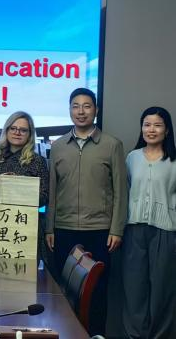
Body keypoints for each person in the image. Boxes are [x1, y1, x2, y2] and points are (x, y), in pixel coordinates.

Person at [45, 87, 128, 336]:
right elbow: (52, 190)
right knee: (64, 294)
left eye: (87, 106)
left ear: (96, 110)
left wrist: (117, 229)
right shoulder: (58, 146)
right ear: (70, 110)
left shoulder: (112, 145)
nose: (81, 111)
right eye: (75, 106)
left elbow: (120, 190)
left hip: (100, 231)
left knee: (97, 292)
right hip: (64, 230)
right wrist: (49, 227)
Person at [122, 106, 176, 339]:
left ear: (167, 130)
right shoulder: (132, 158)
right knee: (134, 289)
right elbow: (124, 192)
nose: (151, 129)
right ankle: (135, 335)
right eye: (147, 124)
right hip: (134, 231)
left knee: (162, 290)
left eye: (157, 125)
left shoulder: (174, 160)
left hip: (166, 232)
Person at [0, 111, 49, 259]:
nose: (17, 133)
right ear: (7, 130)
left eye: (23, 130)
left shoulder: (37, 161)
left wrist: (19, 186)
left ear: (29, 134)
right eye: (13, 128)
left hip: (26, 226)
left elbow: (44, 197)